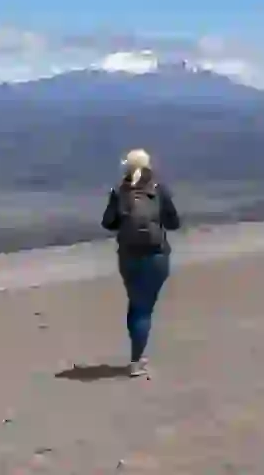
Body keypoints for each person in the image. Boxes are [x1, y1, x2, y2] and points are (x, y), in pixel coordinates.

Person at [100, 148, 181, 377]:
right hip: (156, 256)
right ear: (148, 166)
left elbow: (108, 222)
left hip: (128, 256)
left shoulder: (119, 191)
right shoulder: (158, 190)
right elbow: (174, 222)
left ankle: (137, 355)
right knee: (144, 308)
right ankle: (137, 360)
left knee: (136, 304)